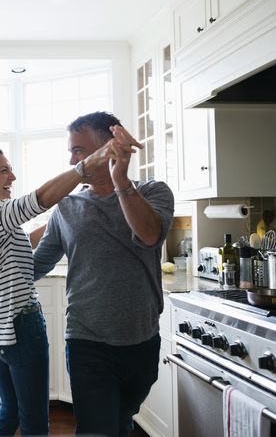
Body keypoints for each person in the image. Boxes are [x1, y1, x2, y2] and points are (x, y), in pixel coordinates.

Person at [0, 137, 141, 436]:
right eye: (4, 170)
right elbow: (40, 198)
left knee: (10, 409)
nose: (12, 177)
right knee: (35, 423)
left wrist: (63, 215)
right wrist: (89, 163)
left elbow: (20, 244)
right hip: (20, 328)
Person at [32, 111, 175, 437]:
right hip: (87, 341)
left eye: (79, 150)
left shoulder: (154, 192)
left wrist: (120, 180)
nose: (72, 159)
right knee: (97, 429)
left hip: (142, 339)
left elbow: (150, 235)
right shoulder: (67, 207)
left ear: (109, 147)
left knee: (122, 421)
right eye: (71, 151)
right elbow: (37, 265)